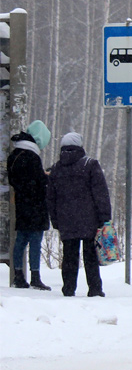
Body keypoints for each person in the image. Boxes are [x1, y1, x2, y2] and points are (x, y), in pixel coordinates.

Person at [46, 131, 112, 298]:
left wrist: (55, 220)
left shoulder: (56, 169)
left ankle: (68, 288)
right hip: (89, 219)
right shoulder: (90, 165)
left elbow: (51, 198)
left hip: (66, 219)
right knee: (90, 255)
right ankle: (95, 289)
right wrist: (104, 217)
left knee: (69, 255)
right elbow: (100, 193)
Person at [7, 124, 51, 290]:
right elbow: (38, 181)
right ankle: (35, 277)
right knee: (35, 242)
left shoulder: (14, 155)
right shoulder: (32, 157)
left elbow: (16, 180)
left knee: (20, 241)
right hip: (36, 205)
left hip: (21, 203)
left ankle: (18, 275)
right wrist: (47, 176)